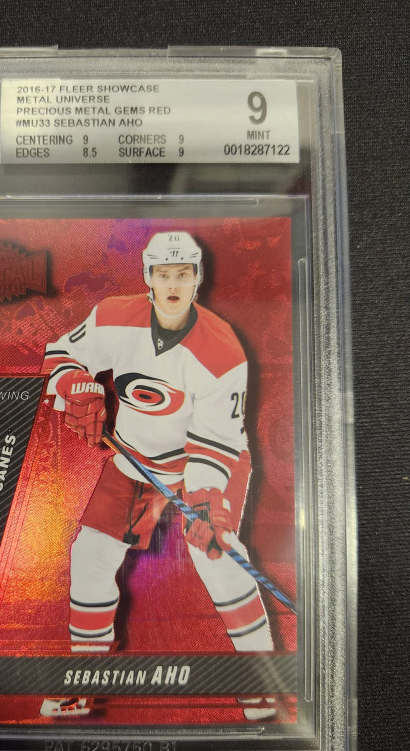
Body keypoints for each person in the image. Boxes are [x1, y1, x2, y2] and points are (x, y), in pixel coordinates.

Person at [42, 232, 274, 719]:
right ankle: (86, 678)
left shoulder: (222, 350)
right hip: (136, 457)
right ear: (148, 276)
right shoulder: (112, 316)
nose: (172, 284)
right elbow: (61, 353)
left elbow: (216, 440)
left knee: (216, 554)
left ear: (197, 278)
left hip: (211, 460)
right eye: (163, 274)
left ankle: (261, 680)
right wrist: (77, 384)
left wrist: (208, 500)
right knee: (91, 554)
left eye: (182, 274)